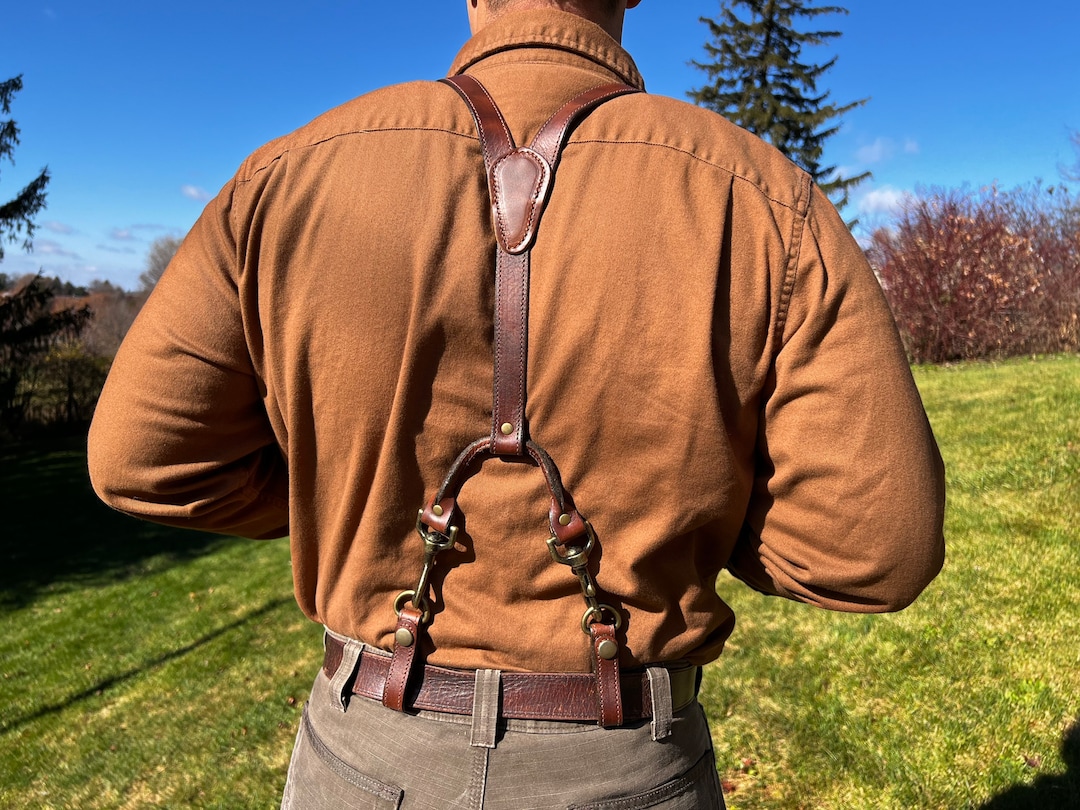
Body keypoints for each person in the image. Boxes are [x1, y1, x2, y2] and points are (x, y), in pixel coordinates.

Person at [87, 1, 946, 807]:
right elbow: (875, 546)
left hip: (364, 758)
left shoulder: (287, 178)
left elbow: (141, 459)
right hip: (628, 764)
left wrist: (347, 498)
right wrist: (688, 516)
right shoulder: (761, 199)